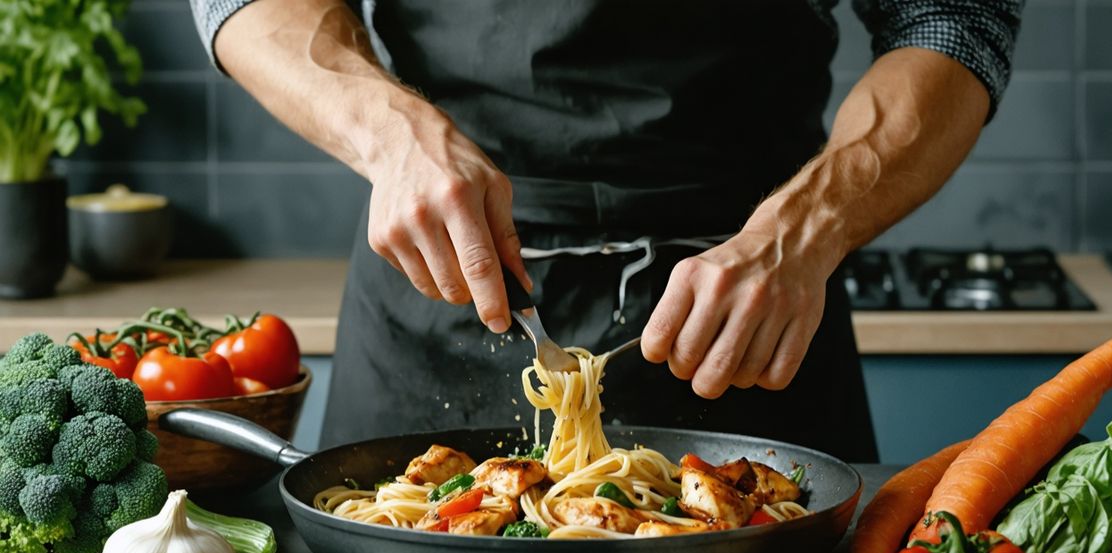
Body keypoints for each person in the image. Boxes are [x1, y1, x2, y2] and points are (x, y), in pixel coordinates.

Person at [189, 0, 1022, 462]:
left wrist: (809, 227)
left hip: (759, 286)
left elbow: (952, 17)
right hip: (442, 264)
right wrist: (387, 131)